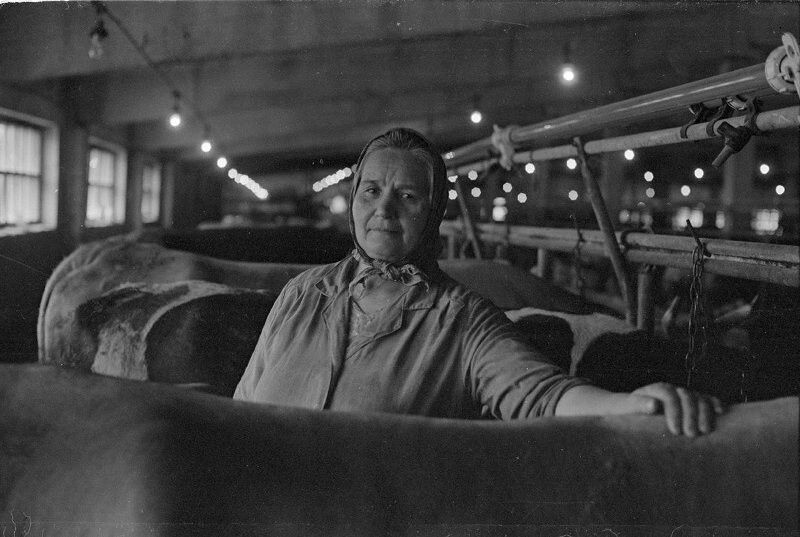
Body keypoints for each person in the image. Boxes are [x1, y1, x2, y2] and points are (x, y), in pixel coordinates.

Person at [235, 127, 723, 436]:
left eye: (407, 196)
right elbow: (239, 412)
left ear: (434, 213)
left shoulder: (463, 320)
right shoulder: (302, 294)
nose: (383, 209)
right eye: (371, 191)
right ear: (354, 199)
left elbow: (541, 395)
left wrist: (632, 405)